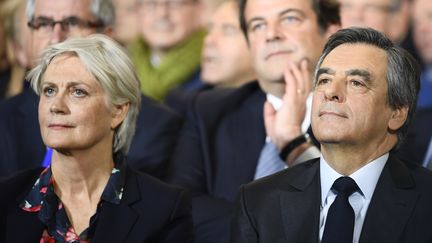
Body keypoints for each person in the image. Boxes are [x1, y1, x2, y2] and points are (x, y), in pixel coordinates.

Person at [231, 27, 432, 243]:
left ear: (397, 112)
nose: (331, 92)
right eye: (324, 80)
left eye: (356, 83)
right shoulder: (257, 201)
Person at [166, 0, 340, 242]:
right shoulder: (208, 111)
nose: (271, 34)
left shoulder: (363, 114)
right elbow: (180, 209)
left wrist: (294, 143)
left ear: (331, 30)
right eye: (258, 25)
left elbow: (350, 210)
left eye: (290, 18)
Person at [0, 34, 193, 242]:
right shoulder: (5, 198)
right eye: (49, 90)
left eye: (78, 92)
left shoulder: (164, 208)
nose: (56, 106)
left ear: (118, 111)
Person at [0, 0, 182, 179]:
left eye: (72, 23)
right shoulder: (4, 119)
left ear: (107, 36)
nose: (55, 38)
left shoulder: (156, 127)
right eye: (44, 24)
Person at [165, 0, 256, 115]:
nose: (209, 40)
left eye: (228, 30)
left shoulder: (279, 110)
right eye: (210, 30)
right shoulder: (182, 105)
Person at [130, 0, 206, 101]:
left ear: (198, 9)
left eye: (174, 3)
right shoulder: (118, 69)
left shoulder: (215, 76)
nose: (162, 13)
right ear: (137, 11)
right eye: (150, 3)